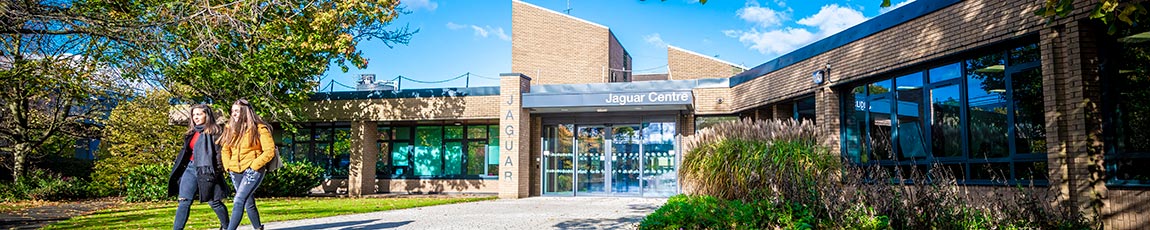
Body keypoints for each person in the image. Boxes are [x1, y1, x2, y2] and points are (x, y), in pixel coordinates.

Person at [168, 104, 230, 230]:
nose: (195, 117)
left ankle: (227, 227)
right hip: (190, 169)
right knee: (184, 201)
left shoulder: (216, 132)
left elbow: (219, 155)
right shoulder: (192, 132)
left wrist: (215, 172)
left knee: (214, 202)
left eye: (199, 114)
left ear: (206, 115)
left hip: (208, 170)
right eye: (194, 114)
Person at [219, 99, 276, 230]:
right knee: (248, 201)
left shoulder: (260, 128)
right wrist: (228, 166)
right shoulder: (230, 129)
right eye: (232, 111)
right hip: (235, 170)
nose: (234, 114)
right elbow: (225, 150)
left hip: (252, 170)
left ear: (245, 112)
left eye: (237, 111)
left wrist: (254, 165)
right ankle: (258, 228)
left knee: (238, 200)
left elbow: (269, 151)